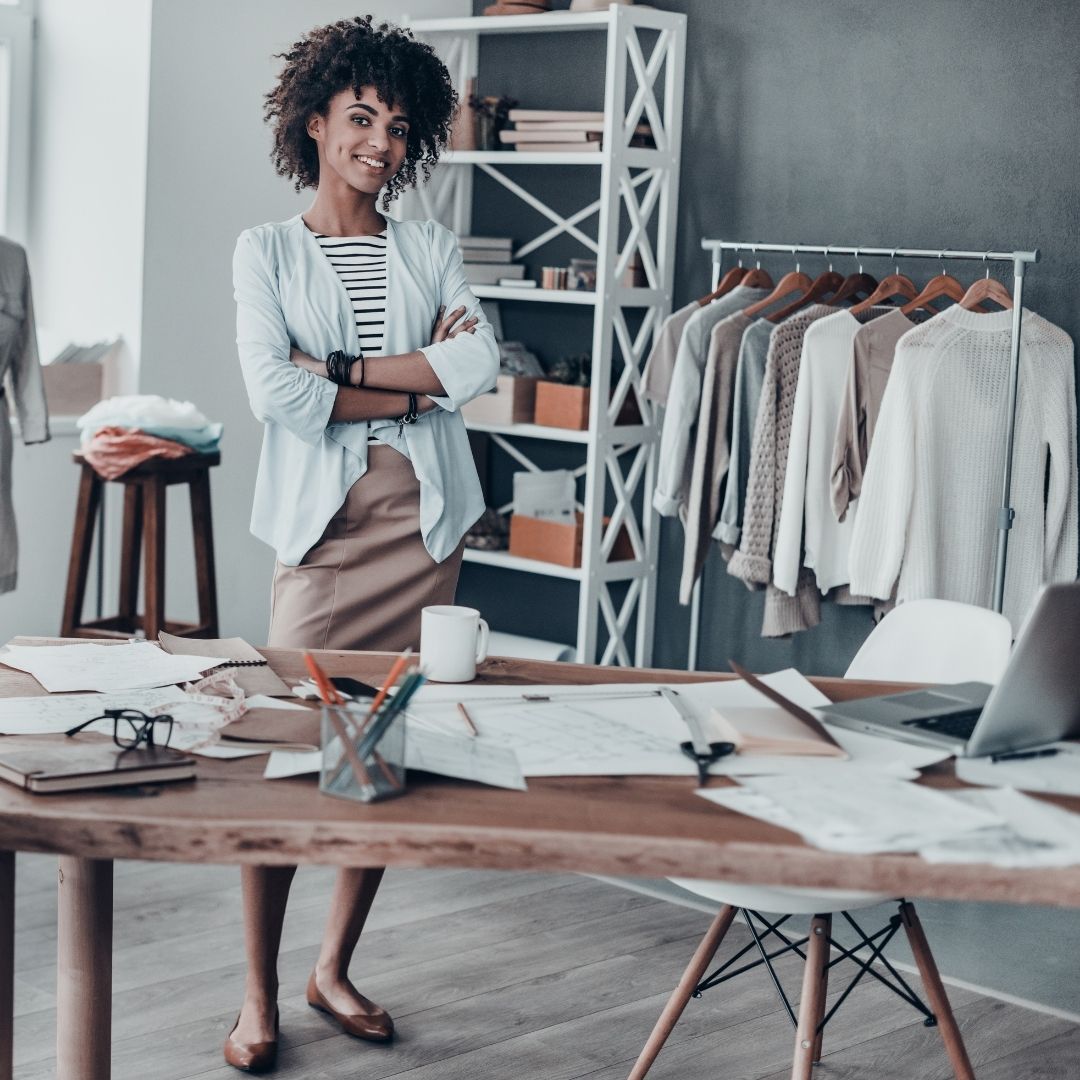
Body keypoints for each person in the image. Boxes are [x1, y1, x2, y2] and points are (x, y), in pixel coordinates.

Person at [228, 16, 498, 1072]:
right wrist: (411, 368)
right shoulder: (266, 251)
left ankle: (332, 966)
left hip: (425, 534)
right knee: (290, 768)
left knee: (377, 766)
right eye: (360, 118)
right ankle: (256, 994)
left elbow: (478, 367)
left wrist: (344, 365)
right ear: (316, 121)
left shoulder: (428, 247)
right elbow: (276, 395)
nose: (380, 143)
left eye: (398, 125)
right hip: (327, 544)